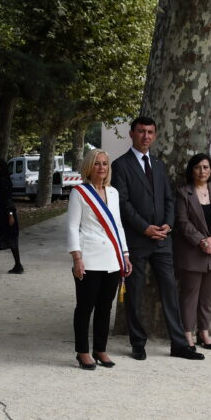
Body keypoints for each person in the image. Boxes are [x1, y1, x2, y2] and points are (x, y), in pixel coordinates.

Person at [110, 116, 203, 360]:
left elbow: (169, 199)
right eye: (141, 131)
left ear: (155, 135)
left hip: (163, 241)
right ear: (132, 133)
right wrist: (144, 228)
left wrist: (167, 225)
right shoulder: (120, 166)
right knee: (135, 292)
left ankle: (178, 343)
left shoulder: (159, 165)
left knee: (170, 290)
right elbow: (122, 203)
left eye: (150, 132)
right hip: (137, 240)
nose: (146, 136)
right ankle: (138, 342)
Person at [66, 150, 132, 369]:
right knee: (85, 307)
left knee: (105, 307)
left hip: (112, 259)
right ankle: (82, 351)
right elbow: (73, 226)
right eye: (97, 164)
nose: (102, 167)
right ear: (88, 167)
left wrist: (125, 254)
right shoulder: (79, 192)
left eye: (105, 164)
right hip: (89, 258)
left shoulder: (113, 192)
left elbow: (119, 226)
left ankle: (100, 349)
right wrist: (77, 258)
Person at [173, 153, 211, 349]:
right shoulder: (183, 193)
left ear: (210, 170)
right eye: (198, 167)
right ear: (191, 170)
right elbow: (182, 222)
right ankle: (187, 333)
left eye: (206, 167)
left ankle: (203, 332)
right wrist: (202, 242)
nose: (202, 171)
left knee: (207, 296)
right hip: (192, 253)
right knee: (190, 296)